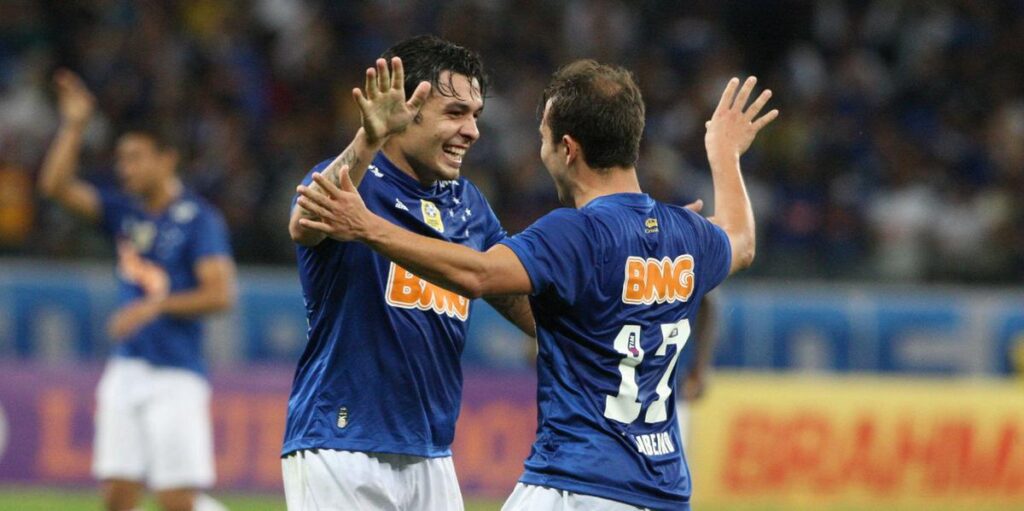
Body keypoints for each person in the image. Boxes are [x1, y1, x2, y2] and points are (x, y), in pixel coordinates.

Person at [295, 60, 777, 510]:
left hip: (574, 482)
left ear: (567, 148)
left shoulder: (572, 233)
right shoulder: (685, 234)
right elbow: (743, 241)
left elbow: (478, 274)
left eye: (544, 139)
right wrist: (724, 153)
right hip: (664, 488)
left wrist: (367, 227)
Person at [282, 35, 534, 510]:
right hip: (341, 443)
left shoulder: (469, 206)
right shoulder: (354, 184)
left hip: (430, 450)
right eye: (455, 113)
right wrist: (367, 139)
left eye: (475, 115)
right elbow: (305, 222)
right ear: (405, 109)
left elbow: (513, 294)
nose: (472, 131)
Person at [38, 70, 236, 511]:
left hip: (176, 372)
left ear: (168, 159)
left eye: (135, 157)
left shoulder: (198, 220)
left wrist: (155, 307)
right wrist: (74, 124)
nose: (124, 168)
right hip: (126, 369)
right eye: (121, 158)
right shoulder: (126, 213)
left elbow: (221, 295)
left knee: (176, 502)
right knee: (117, 497)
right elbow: (54, 186)